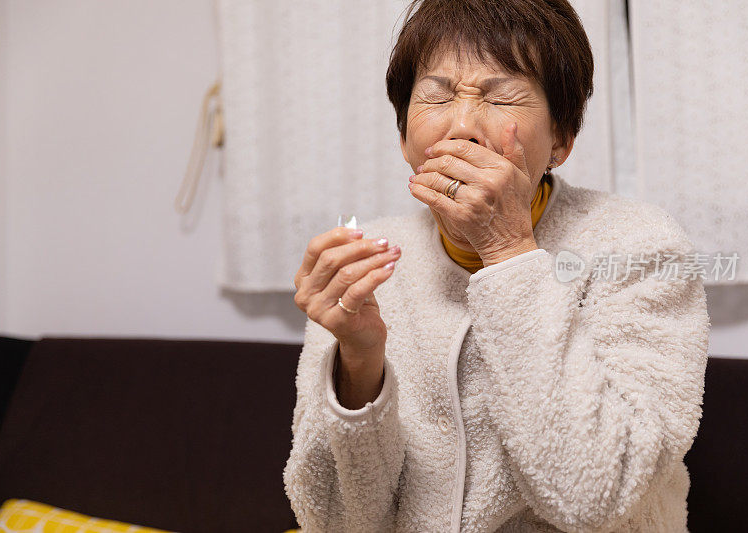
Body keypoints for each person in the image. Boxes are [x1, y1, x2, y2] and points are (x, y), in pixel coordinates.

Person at [284, 0, 710, 531]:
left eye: (502, 95)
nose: (462, 126)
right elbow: (331, 517)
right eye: (436, 95)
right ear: (403, 138)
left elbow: (599, 495)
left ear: (560, 139)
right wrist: (360, 358)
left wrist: (508, 248)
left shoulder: (640, 245)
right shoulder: (368, 258)